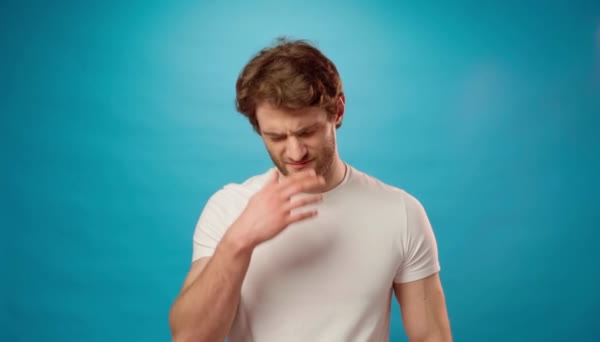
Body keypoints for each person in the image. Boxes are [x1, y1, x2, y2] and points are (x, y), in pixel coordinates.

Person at [169, 37, 452, 342]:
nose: (295, 152)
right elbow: (189, 337)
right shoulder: (229, 207)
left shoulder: (400, 212)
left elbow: (431, 337)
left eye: (307, 132)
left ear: (338, 111)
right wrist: (240, 240)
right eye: (276, 137)